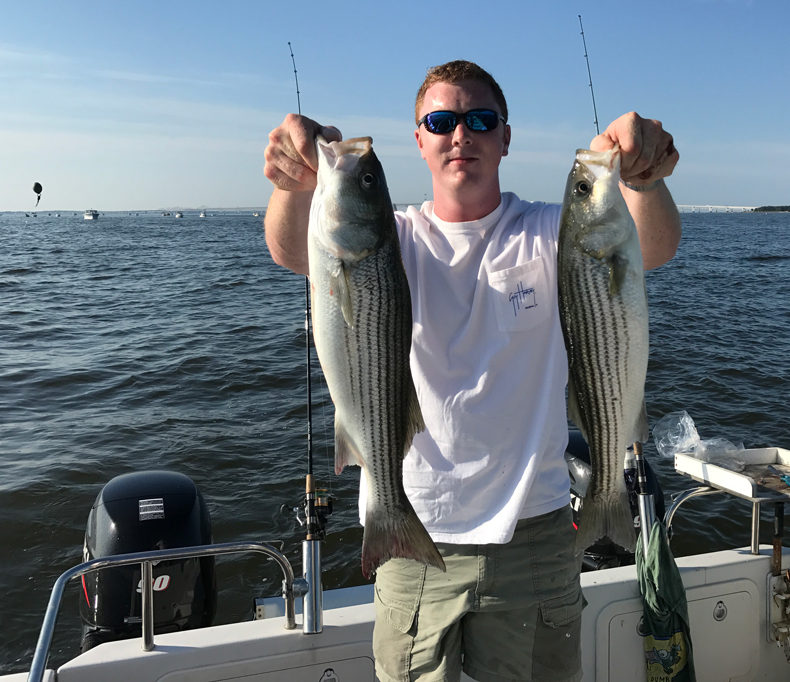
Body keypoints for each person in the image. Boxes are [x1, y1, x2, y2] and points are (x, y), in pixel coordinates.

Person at [263, 60, 681, 682]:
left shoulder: (547, 229)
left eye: (481, 120)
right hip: (410, 532)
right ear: (420, 141)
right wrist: (294, 182)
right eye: (443, 120)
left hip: (535, 535)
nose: (463, 134)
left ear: (505, 138)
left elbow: (652, 247)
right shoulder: (392, 235)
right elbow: (292, 249)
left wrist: (638, 177)